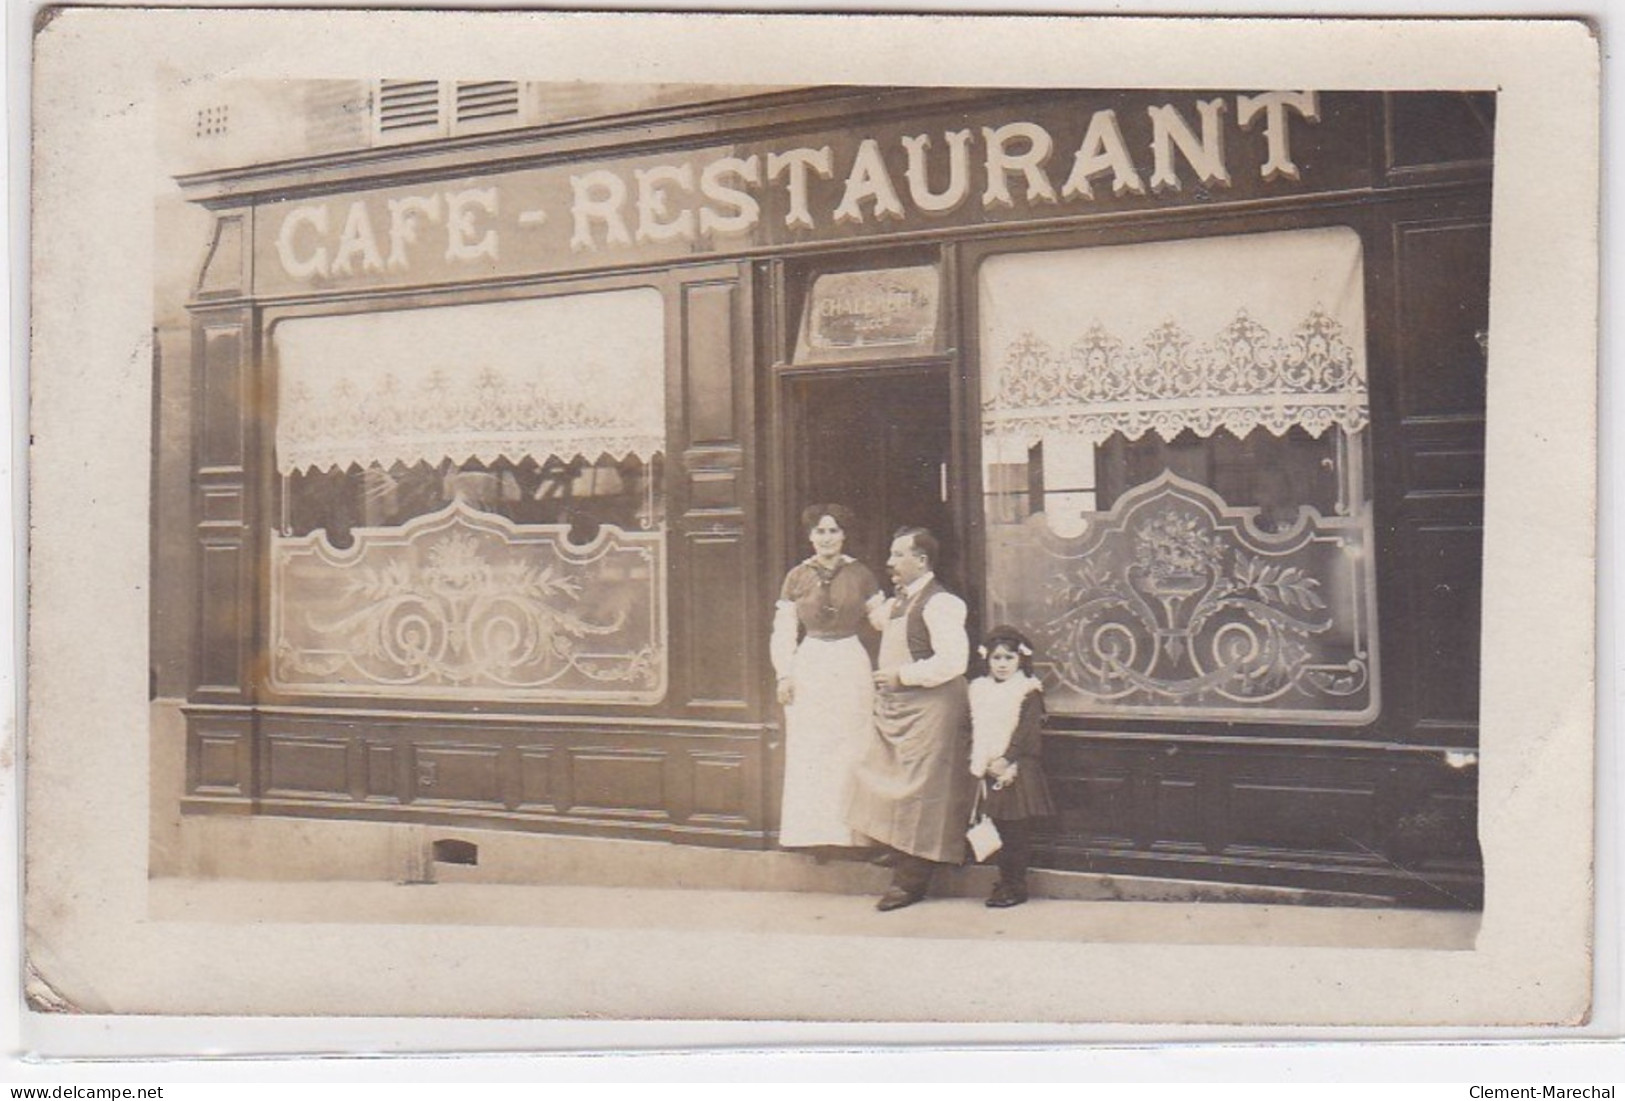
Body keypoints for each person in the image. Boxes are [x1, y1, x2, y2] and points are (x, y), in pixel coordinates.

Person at [845, 526, 976, 911]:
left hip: (933, 707)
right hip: (901, 707)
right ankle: (899, 849)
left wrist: (902, 676)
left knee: (922, 792)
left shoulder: (941, 604)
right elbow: (876, 618)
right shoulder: (902, 601)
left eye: (897, 555)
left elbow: (954, 662)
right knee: (886, 777)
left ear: (921, 560)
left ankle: (912, 879)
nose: (888, 563)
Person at [770, 504, 884, 851]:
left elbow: (881, 620)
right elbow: (784, 629)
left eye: (833, 531)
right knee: (813, 746)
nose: (826, 538)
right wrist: (784, 674)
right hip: (813, 663)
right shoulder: (797, 576)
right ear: (810, 536)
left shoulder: (861, 574)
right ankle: (813, 834)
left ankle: (854, 833)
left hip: (849, 662)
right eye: (820, 531)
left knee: (852, 743)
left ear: (844, 535)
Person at [968, 625, 1056, 908]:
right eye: (997, 658)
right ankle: (1004, 880)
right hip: (988, 767)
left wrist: (1006, 759)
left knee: (1016, 831)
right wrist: (983, 761)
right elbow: (974, 727)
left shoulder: (1027, 691)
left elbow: (1027, 733)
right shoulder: (979, 689)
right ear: (987, 660)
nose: (1003, 664)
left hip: (1016, 769)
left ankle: (1015, 885)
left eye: (1009, 658)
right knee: (999, 828)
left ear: (1020, 660)